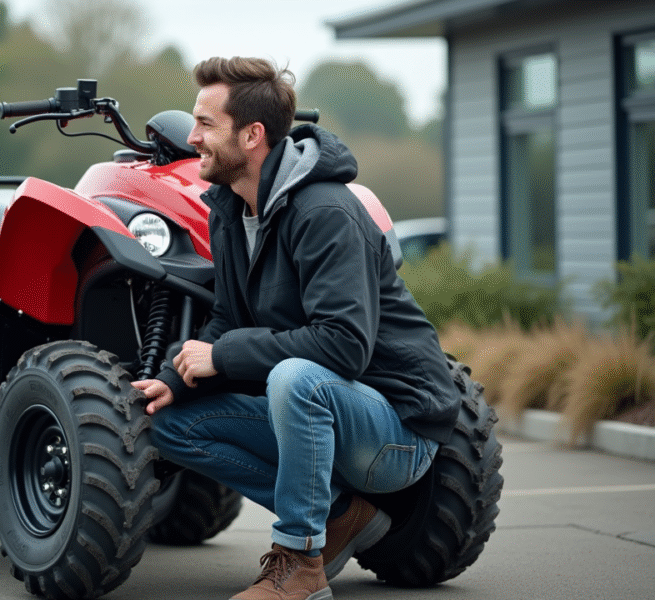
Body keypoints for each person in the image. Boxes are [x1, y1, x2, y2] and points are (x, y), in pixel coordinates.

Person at [132, 57, 462, 600]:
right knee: (168, 421)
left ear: (253, 134)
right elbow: (228, 319)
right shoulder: (231, 208)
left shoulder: (326, 210)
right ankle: (340, 514)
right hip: (326, 415)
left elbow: (344, 347)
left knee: (296, 378)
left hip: (396, 432)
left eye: (206, 125)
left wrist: (225, 355)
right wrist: (176, 374)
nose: (192, 139)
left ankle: (301, 566)